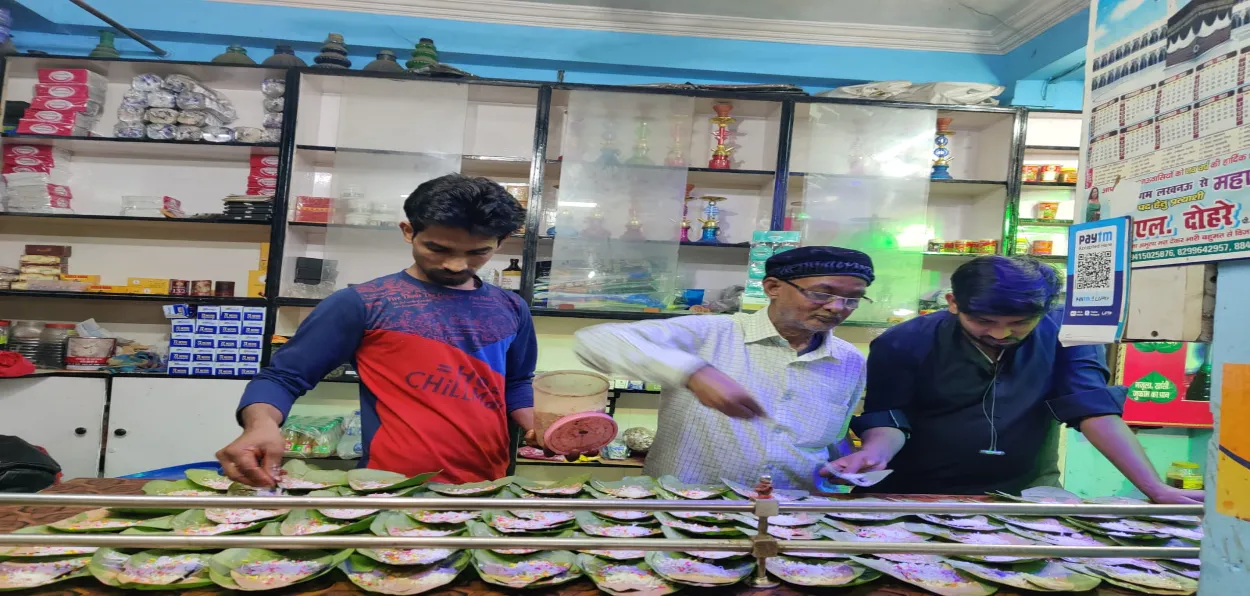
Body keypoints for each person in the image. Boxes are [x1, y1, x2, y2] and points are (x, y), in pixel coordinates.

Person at [217, 174, 538, 487]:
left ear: (500, 242)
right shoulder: (362, 304)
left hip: (489, 483)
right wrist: (260, 425)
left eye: (477, 252)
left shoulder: (510, 307)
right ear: (408, 231)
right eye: (438, 249)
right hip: (391, 485)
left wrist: (546, 429)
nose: (455, 265)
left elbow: (517, 383)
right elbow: (282, 377)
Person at [825, 256, 1203, 504]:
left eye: (1020, 323)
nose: (1002, 334)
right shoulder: (903, 341)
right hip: (917, 490)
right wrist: (873, 455)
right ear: (953, 302)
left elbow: (1094, 411)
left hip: (1026, 491)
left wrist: (1153, 488)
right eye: (984, 322)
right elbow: (890, 418)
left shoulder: (1068, 332)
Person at [573, 246, 874, 491]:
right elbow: (595, 340)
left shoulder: (849, 360)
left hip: (792, 516)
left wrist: (844, 463)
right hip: (686, 507)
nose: (838, 307)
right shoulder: (711, 333)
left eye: (852, 299)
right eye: (822, 294)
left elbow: (831, 438)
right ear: (773, 287)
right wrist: (694, 373)